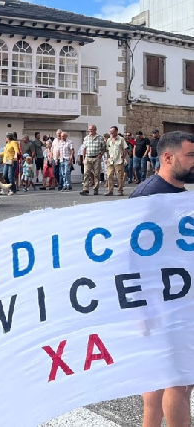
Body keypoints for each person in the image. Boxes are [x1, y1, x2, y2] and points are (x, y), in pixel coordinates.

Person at [130, 131, 194, 427]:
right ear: (167, 158)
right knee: (179, 383)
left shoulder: (175, 192)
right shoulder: (150, 196)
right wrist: (141, 310)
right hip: (162, 303)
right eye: (190, 156)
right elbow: (130, 257)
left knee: (157, 378)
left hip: (174, 299)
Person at [79, 125, 106, 196]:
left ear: (95, 130)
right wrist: (84, 158)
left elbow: (104, 148)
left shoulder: (100, 138)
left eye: (91, 129)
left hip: (97, 157)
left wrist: (101, 155)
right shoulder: (86, 138)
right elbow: (84, 149)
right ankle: (85, 189)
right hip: (88, 157)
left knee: (96, 174)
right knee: (86, 173)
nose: (90, 131)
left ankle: (96, 188)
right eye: (89, 129)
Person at [105, 126, 128, 196]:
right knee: (109, 175)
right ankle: (110, 190)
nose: (111, 133)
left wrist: (123, 157)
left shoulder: (121, 139)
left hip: (118, 160)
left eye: (112, 132)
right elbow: (108, 149)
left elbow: (125, 149)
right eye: (110, 132)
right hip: (110, 160)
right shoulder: (109, 140)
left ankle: (120, 190)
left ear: (116, 131)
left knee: (119, 176)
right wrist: (107, 158)